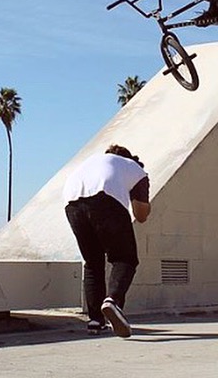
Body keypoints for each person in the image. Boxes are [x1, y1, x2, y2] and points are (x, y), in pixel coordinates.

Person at [62, 144, 151, 338]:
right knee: (125, 259)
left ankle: (95, 321)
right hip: (106, 200)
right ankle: (113, 301)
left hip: (72, 204)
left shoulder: (92, 162)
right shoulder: (135, 168)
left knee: (93, 263)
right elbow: (141, 214)